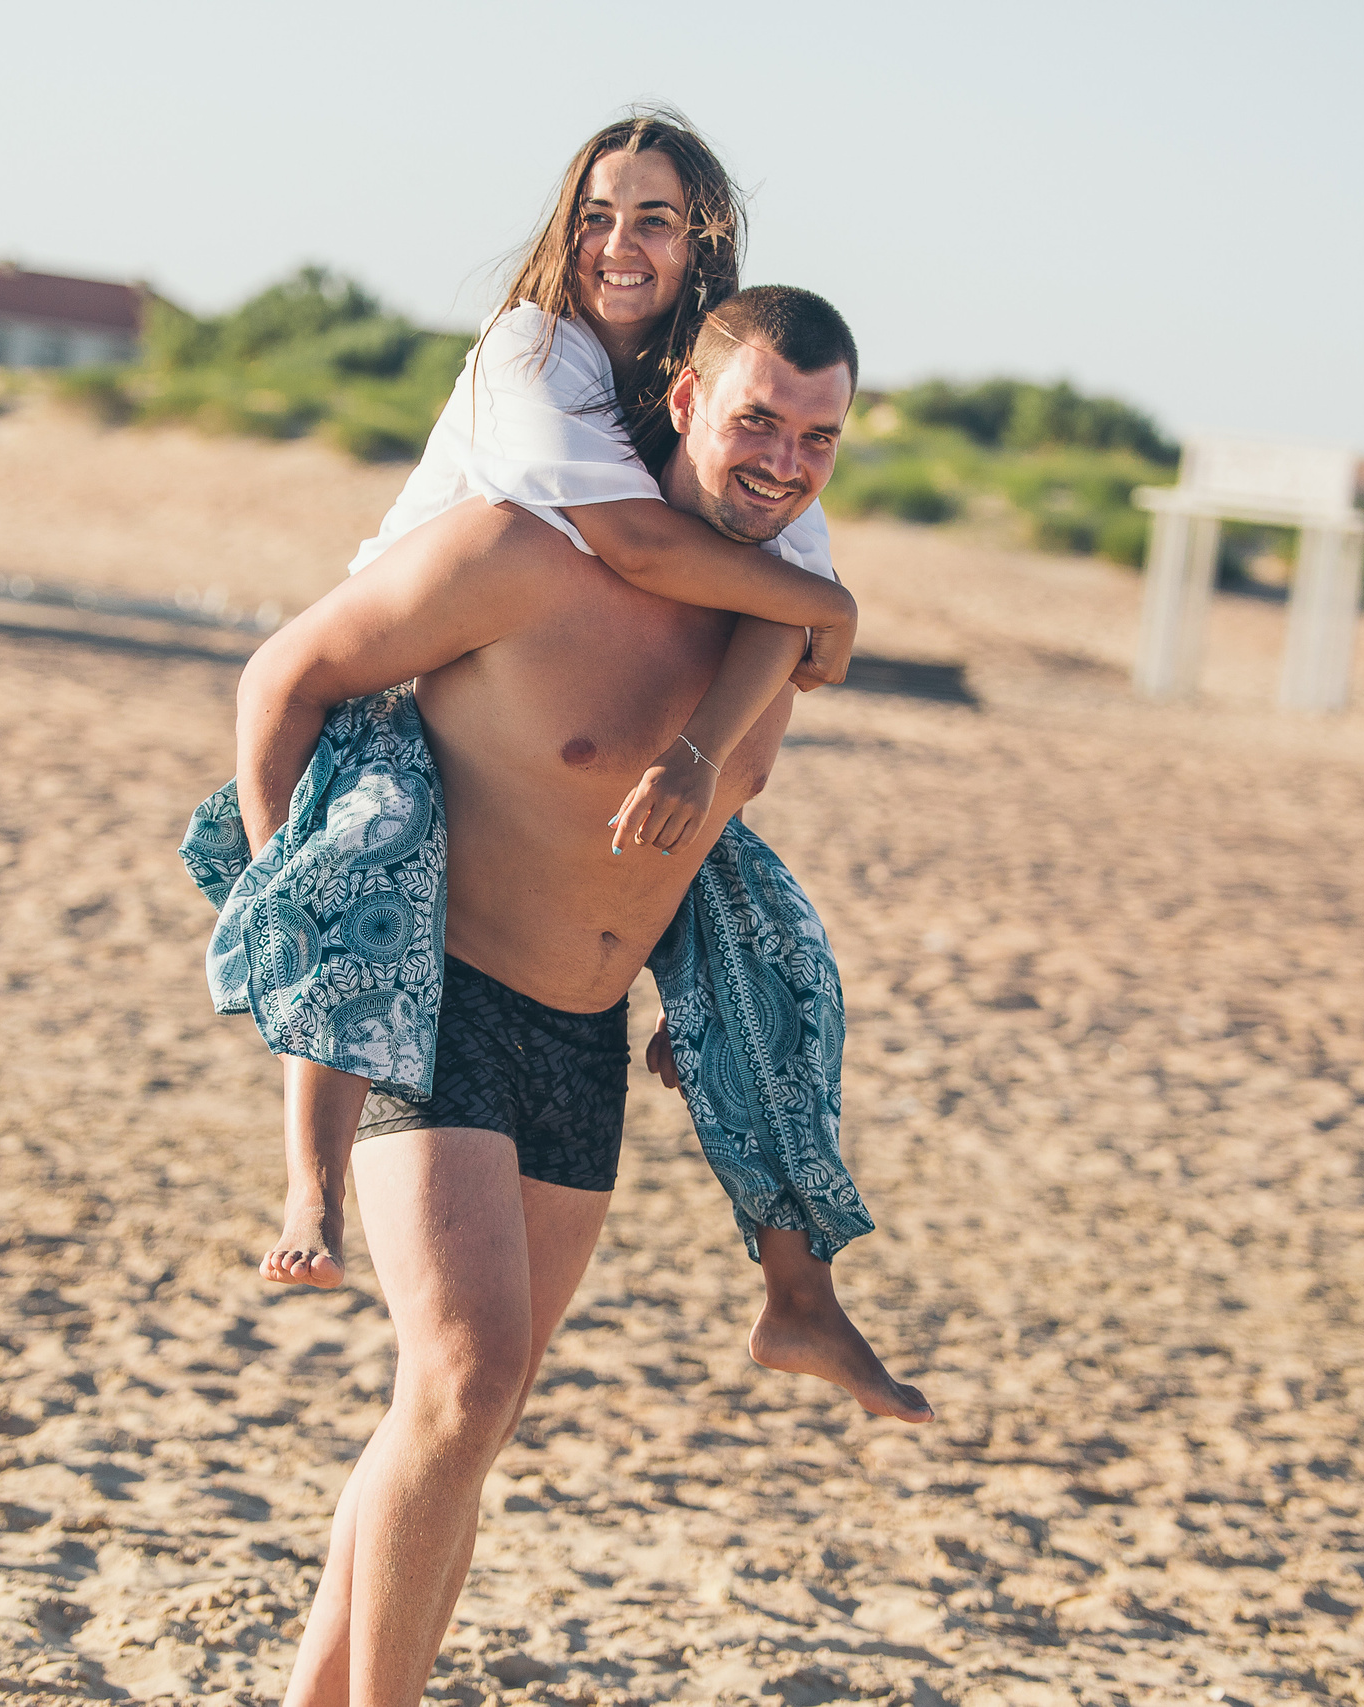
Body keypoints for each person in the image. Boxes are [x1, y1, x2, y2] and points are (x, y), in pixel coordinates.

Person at [220, 284, 931, 1707]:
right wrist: (299, 907)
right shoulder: (521, 552)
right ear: (683, 404)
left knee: (453, 1419)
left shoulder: (766, 633)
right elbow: (288, 671)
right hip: (440, 1002)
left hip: (581, 1038)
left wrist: (682, 988)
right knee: (467, 1379)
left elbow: (700, 829)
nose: (786, 461)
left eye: (820, 439)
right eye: (758, 422)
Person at [252, 109, 859, 1297]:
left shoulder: (722, 384)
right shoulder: (532, 351)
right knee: (362, 873)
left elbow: (782, 578)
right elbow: (636, 545)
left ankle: (801, 1291)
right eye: (593, 217)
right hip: (409, 674)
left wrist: (817, 610)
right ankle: (306, 1191)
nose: (616, 244)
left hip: (538, 715)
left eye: (653, 220)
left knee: (766, 935)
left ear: (704, 242)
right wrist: (827, 615)